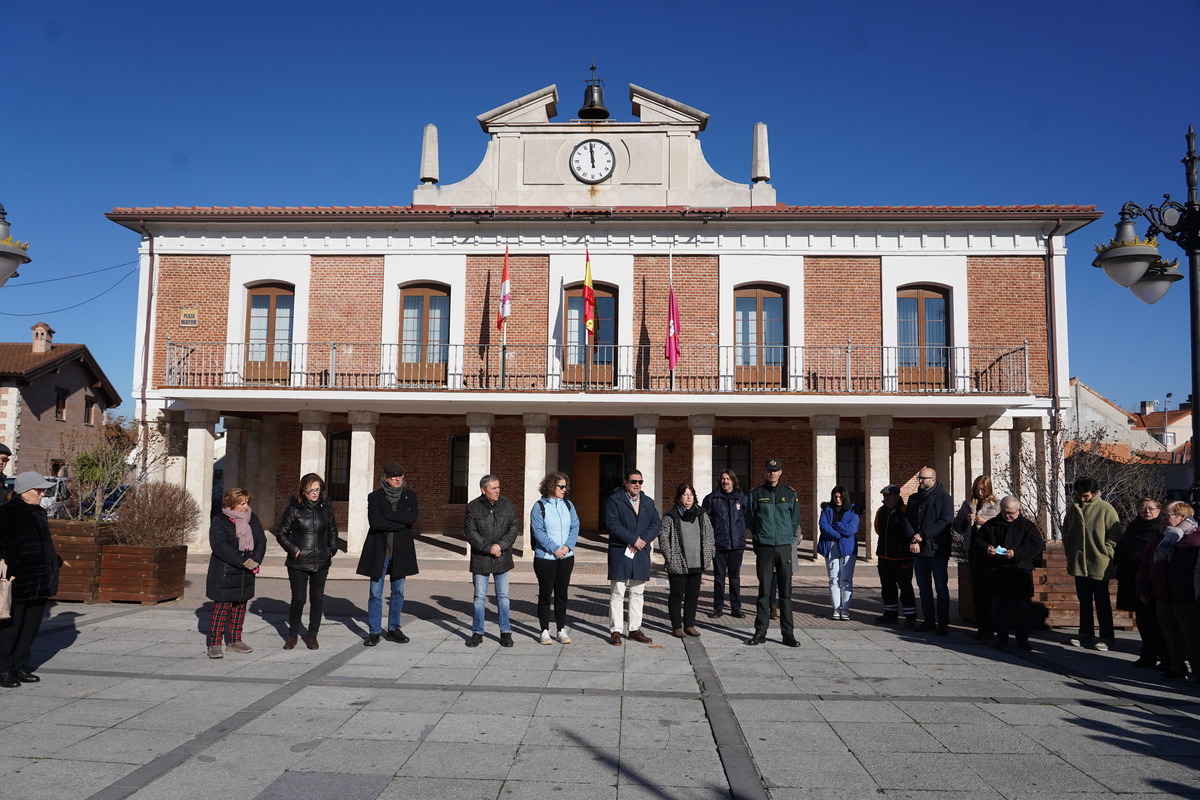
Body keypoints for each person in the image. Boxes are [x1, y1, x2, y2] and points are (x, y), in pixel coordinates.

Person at [0, 472, 63, 686]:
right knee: (11, 629)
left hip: (39, 581)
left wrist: (53, 561)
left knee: (30, 628)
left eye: (44, 489)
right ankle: (4, 669)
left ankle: (20, 667)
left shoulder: (39, 512)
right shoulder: (6, 513)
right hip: (17, 581)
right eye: (39, 489)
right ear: (24, 491)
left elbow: (43, 543)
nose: (43, 493)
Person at [273, 473, 339, 650]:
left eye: (318, 489)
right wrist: (294, 550)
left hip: (321, 562)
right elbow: (281, 533)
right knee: (299, 599)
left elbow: (333, 531)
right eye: (311, 490)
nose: (315, 493)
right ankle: (293, 635)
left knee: (317, 599)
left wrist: (331, 550)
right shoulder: (294, 509)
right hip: (298, 563)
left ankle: (312, 635)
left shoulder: (326, 508)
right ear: (303, 490)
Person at [356, 463, 419, 646]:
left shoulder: (410, 496)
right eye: (394, 476)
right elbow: (375, 522)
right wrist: (400, 523)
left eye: (400, 475)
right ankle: (374, 631)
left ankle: (393, 629)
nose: (398, 479)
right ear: (385, 478)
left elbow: (412, 518)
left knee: (398, 591)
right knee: (375, 593)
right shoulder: (374, 497)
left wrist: (388, 516)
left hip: (401, 551)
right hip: (380, 551)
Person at [1137, 500, 1200, 684]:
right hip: (1162, 594)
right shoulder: (1159, 535)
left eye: (1167, 515)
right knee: (1169, 634)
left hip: (1186, 596)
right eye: (1163, 514)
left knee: (1191, 636)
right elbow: (1147, 563)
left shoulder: (1194, 537)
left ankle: (1197, 672)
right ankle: (1176, 667)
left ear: (1182, 517)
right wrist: (1143, 588)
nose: (1163, 518)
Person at [1063, 476, 1124, 651]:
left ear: (1094, 493)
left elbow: (1116, 533)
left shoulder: (1105, 508)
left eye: (1086, 496)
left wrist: (1107, 551)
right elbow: (1066, 528)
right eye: (1079, 496)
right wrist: (1069, 545)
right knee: (1084, 600)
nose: (1082, 499)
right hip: (1079, 561)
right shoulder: (1073, 508)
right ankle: (1085, 633)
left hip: (1099, 562)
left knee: (1102, 601)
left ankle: (1107, 636)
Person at [205, 487, 267, 658]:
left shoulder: (252, 519)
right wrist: (242, 561)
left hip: (246, 573)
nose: (246, 507)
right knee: (221, 609)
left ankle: (235, 640)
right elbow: (219, 545)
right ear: (231, 504)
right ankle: (215, 643)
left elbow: (261, 539)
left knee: (240, 607)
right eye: (242, 504)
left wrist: (256, 560)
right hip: (225, 571)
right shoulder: (220, 520)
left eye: (247, 503)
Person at [746, 458, 801, 647]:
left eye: (775, 470)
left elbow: (794, 520)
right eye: (769, 470)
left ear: (780, 472)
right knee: (764, 591)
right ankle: (760, 632)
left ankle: (788, 634)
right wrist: (760, 537)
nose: (772, 473)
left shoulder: (789, 494)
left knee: (785, 593)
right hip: (765, 548)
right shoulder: (756, 494)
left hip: (784, 548)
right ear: (765, 472)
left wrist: (786, 538)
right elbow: (750, 519)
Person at [976, 496, 1044, 651]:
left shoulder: (1027, 526)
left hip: (1019, 571)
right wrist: (987, 549)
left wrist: (1017, 553)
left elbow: (1035, 546)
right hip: (997, 572)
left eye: (1012, 513)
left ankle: (1022, 639)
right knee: (997, 607)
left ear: (1018, 511)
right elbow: (980, 541)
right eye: (1006, 512)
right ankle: (1001, 637)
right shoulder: (992, 525)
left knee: (1023, 608)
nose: (1009, 515)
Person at [605, 468, 660, 646]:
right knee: (618, 592)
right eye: (634, 481)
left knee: (637, 593)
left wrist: (642, 540)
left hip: (640, 552)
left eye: (640, 482)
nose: (637, 485)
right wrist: (633, 539)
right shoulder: (615, 500)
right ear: (626, 482)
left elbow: (655, 524)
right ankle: (616, 631)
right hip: (621, 551)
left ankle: (635, 629)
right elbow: (613, 525)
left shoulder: (648, 502)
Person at [464, 474, 518, 647]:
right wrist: (489, 547)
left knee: (503, 596)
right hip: (481, 559)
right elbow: (470, 532)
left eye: (498, 487)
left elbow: (513, 528)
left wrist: (500, 546)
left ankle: (505, 632)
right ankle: (477, 632)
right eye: (493, 488)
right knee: (479, 597)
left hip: (502, 557)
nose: (497, 491)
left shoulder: (507, 504)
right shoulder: (473, 507)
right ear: (483, 490)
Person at [1115, 497, 1167, 667]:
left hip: (1155, 580)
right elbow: (1123, 548)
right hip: (1133, 579)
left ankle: (1165, 656)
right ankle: (1148, 654)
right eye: (1143, 508)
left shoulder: (1162, 529)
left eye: (1151, 508)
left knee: (1159, 620)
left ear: (1159, 510)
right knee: (1143, 619)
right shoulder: (1133, 527)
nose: (1147, 511)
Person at [659, 482, 715, 638]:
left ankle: (689, 625)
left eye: (691, 494)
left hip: (697, 561)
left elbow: (710, 535)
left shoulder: (701, 514)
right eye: (685, 494)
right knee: (676, 595)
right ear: (679, 497)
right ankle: (677, 626)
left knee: (692, 596)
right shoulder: (671, 515)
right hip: (678, 563)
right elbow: (663, 537)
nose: (689, 497)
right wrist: (669, 557)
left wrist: (709, 554)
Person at [530, 471, 579, 645]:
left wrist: (567, 547)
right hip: (545, 559)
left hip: (566, 557)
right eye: (561, 486)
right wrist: (554, 549)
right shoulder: (539, 506)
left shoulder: (568, 505)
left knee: (562, 595)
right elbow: (538, 531)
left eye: (566, 486)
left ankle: (561, 629)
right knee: (545, 595)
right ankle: (544, 630)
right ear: (551, 486)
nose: (565, 489)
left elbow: (575, 526)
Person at [906, 467, 954, 635]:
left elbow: (946, 521)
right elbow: (907, 520)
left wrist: (923, 535)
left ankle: (943, 622)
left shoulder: (944, 499)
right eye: (919, 478)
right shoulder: (913, 499)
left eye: (923, 478)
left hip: (937, 551)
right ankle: (928, 620)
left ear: (932, 479)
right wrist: (914, 538)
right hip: (919, 551)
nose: (920, 481)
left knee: (941, 587)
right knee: (924, 588)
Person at [954, 475, 1001, 640]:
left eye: (983, 489)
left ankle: (991, 627)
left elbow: (1001, 529)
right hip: (973, 549)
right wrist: (966, 521)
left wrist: (984, 522)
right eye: (977, 489)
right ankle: (981, 626)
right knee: (977, 590)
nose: (980, 492)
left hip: (989, 551)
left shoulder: (996, 505)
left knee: (990, 590)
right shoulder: (968, 504)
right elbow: (957, 526)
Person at [703, 469, 748, 619]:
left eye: (728, 479)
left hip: (737, 546)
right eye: (723, 478)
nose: (725, 481)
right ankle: (718, 608)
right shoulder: (711, 499)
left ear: (733, 481)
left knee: (735, 578)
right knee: (719, 578)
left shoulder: (742, 498)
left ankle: (736, 608)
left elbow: (748, 519)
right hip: (719, 545)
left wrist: (741, 533)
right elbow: (705, 521)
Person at [873, 484, 916, 627]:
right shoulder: (881, 511)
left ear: (896, 496)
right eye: (884, 496)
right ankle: (890, 613)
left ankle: (910, 616)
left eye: (888, 496)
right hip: (884, 556)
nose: (885, 498)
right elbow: (878, 529)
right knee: (887, 586)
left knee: (905, 587)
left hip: (901, 557)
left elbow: (910, 531)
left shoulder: (905, 511)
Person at [818, 485, 859, 620]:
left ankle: (845, 609)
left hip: (848, 548)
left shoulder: (853, 510)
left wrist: (836, 525)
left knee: (846, 579)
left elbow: (851, 529)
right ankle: (836, 608)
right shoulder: (827, 509)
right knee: (833, 579)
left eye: (840, 497)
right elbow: (823, 526)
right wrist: (838, 534)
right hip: (831, 546)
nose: (838, 499)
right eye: (835, 497)